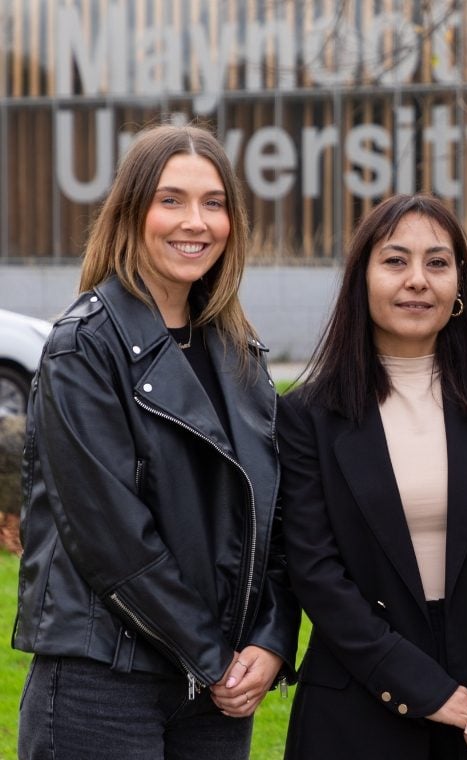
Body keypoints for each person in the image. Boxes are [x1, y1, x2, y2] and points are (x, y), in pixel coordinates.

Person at [14, 123, 300, 759]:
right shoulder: (83, 347)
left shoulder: (239, 354)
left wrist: (272, 639)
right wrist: (212, 655)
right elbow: (112, 537)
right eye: (171, 199)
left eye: (214, 202)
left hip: (214, 690)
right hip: (103, 681)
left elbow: (274, 515)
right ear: (132, 211)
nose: (194, 222)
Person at [278, 193, 467, 759]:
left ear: (459, 286)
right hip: (359, 703)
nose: (417, 280)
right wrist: (424, 690)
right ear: (361, 279)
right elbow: (314, 571)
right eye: (395, 261)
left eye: (437, 262)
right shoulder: (309, 414)